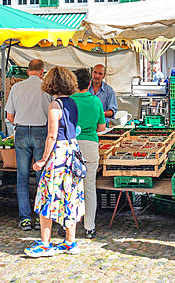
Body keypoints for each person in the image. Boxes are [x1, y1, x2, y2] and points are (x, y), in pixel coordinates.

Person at [25, 67, 86, 257]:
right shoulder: (73, 104)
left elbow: (52, 136)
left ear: (51, 84)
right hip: (72, 152)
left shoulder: (54, 106)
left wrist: (42, 160)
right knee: (71, 195)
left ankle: (45, 243)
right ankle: (70, 242)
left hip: (58, 155)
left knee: (47, 196)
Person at [5, 59, 53, 231]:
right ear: (42, 72)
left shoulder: (17, 88)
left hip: (22, 133)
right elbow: (52, 114)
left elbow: (9, 116)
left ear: (28, 71)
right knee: (41, 178)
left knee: (22, 178)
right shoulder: (47, 88)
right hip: (41, 132)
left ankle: (25, 219)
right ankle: (42, 218)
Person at [71, 67, 106, 238]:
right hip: (91, 146)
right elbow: (102, 127)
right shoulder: (96, 101)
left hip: (72, 146)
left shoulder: (68, 101)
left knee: (70, 187)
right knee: (89, 188)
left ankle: (68, 224)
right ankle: (89, 227)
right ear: (89, 82)